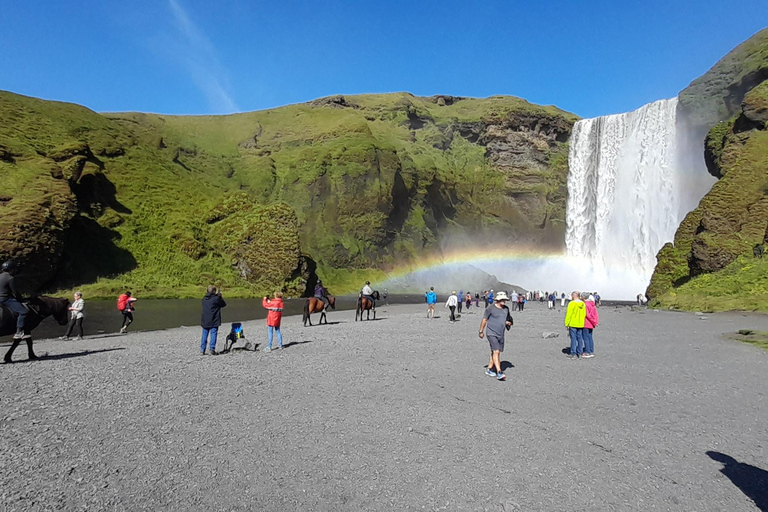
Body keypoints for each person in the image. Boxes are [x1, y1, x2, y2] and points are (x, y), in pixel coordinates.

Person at [479, 291, 512, 381]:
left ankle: (489, 369)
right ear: (498, 299)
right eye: (502, 299)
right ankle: (499, 372)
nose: (504, 301)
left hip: (501, 333)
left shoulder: (506, 309)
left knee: (495, 352)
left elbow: (502, 319)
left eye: (504, 299)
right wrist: (481, 331)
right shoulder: (490, 308)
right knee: (496, 351)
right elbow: (485, 319)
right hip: (491, 333)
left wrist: (507, 322)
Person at [0, 261, 29, 340]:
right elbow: (15, 292)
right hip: (5, 299)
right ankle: (18, 332)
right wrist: (21, 300)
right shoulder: (10, 278)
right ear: (11, 269)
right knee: (23, 312)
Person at [200, 285, 226, 355]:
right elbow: (223, 304)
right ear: (214, 291)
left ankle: (202, 350)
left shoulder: (204, 298)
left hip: (205, 319)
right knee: (213, 333)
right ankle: (212, 349)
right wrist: (220, 297)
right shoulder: (216, 299)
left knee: (204, 334)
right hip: (214, 319)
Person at [564, 291, 586, 358]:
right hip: (580, 324)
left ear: (574, 295)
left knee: (573, 339)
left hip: (573, 323)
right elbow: (584, 314)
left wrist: (566, 324)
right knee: (580, 338)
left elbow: (569, 314)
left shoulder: (572, 303)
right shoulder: (583, 304)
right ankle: (579, 352)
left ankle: (573, 353)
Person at [583, 294, 599, 358]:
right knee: (590, 338)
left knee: (586, 338)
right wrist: (595, 322)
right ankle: (591, 351)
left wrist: (593, 321)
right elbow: (596, 315)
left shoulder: (586, 305)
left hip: (586, 323)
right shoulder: (593, 305)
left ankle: (587, 352)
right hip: (591, 324)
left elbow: (587, 315)